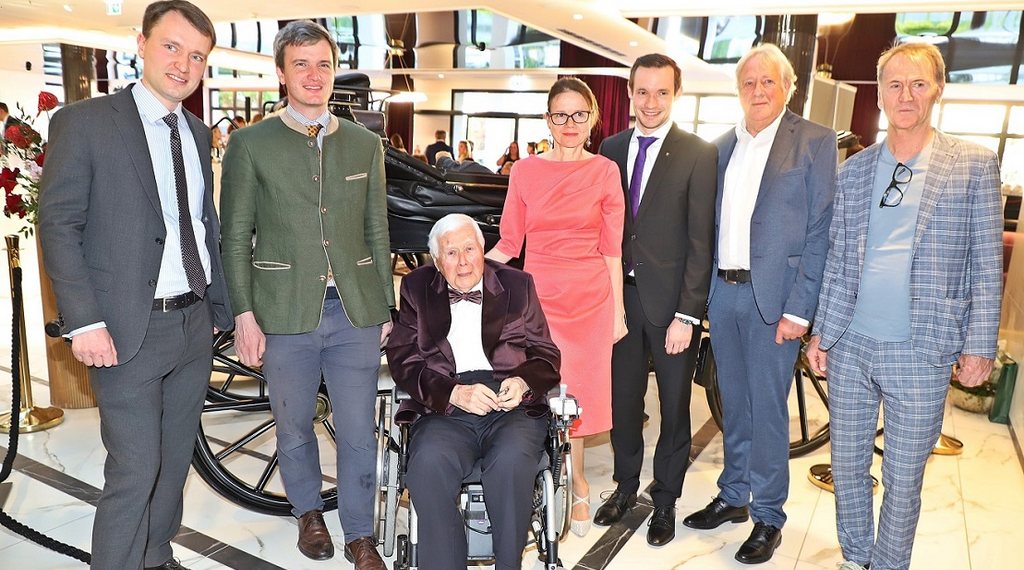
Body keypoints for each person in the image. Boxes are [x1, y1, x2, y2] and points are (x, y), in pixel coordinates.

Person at [37, 2, 232, 569]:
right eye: (172, 47)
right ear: (140, 43)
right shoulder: (86, 122)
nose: (183, 64)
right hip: (125, 329)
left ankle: (154, 555)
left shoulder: (195, 133)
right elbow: (59, 224)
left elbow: (202, 225)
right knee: (135, 468)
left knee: (173, 465)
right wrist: (85, 321)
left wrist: (222, 308)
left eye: (197, 55)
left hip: (192, 324)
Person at [805, 42, 1002, 570]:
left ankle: (889, 564)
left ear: (937, 89)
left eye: (918, 83)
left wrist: (980, 345)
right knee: (847, 469)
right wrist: (821, 332)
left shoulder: (974, 164)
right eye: (894, 84)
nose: (905, 94)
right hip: (850, 343)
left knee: (904, 477)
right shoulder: (855, 170)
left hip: (923, 348)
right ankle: (854, 558)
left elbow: (987, 262)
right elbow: (838, 259)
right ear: (880, 93)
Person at [219, 19, 394, 570]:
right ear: (281, 73)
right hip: (283, 311)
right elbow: (235, 235)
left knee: (359, 429)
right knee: (293, 424)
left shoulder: (365, 144)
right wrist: (244, 314)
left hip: (354, 312)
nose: (314, 75)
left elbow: (377, 229)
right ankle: (308, 514)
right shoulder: (250, 144)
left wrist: (384, 305)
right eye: (301, 64)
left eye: (323, 64)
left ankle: (361, 534)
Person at [682, 43, 836, 565]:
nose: (758, 91)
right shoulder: (720, 145)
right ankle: (733, 496)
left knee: (768, 411)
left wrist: (801, 308)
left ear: (788, 87)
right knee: (732, 403)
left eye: (769, 82)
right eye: (749, 82)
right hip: (723, 294)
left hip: (776, 300)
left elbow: (820, 231)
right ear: (738, 90)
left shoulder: (814, 142)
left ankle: (769, 515)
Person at [486, 77, 626, 537]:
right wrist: (458, 267)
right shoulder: (525, 171)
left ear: (593, 119)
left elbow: (611, 250)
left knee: (579, 394)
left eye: (578, 114)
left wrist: (619, 312)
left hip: (591, 301)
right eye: (560, 115)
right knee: (544, 391)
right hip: (539, 298)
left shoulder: (605, 171)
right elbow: (510, 242)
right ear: (548, 120)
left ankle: (579, 479)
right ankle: (543, 472)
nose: (569, 124)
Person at [386, 213, 561, 570]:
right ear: (436, 261)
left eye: (470, 249)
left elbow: (547, 354)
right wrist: (453, 392)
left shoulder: (518, 284)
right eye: (451, 253)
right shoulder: (416, 287)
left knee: (511, 460)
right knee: (427, 464)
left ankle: (508, 565)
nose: (463, 261)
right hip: (443, 406)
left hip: (510, 405)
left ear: (484, 250)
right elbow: (402, 359)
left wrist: (523, 381)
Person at [594, 53, 717, 547]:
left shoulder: (698, 152)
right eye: (642, 91)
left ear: (676, 94)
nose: (651, 101)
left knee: (673, 407)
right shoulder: (610, 147)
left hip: (672, 310)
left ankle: (665, 499)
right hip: (619, 303)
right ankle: (625, 486)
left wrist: (688, 314)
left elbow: (699, 242)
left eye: (661, 92)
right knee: (623, 404)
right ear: (628, 93)